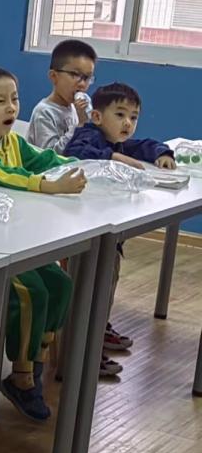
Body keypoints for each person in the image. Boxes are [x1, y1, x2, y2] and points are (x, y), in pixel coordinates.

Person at [0, 66, 86, 421]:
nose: (11, 107)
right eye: (0, 101)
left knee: (59, 284)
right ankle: (22, 376)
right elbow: (1, 174)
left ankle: (34, 362)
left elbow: (42, 159)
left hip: (14, 240)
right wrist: (47, 185)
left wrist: (82, 165)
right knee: (31, 292)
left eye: (14, 99)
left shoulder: (10, 140)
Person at [65, 82, 177, 371]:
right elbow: (75, 151)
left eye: (133, 117)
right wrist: (114, 158)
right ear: (97, 117)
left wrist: (163, 153)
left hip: (107, 234)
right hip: (82, 234)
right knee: (93, 287)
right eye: (120, 115)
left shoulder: (119, 142)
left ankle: (98, 329)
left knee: (108, 280)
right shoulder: (90, 135)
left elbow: (144, 145)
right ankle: (84, 350)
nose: (128, 123)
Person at [26, 39, 96, 151]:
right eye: (75, 74)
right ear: (54, 76)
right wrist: (79, 125)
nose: (82, 84)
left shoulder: (75, 109)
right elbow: (50, 156)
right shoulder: (44, 112)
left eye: (87, 77)